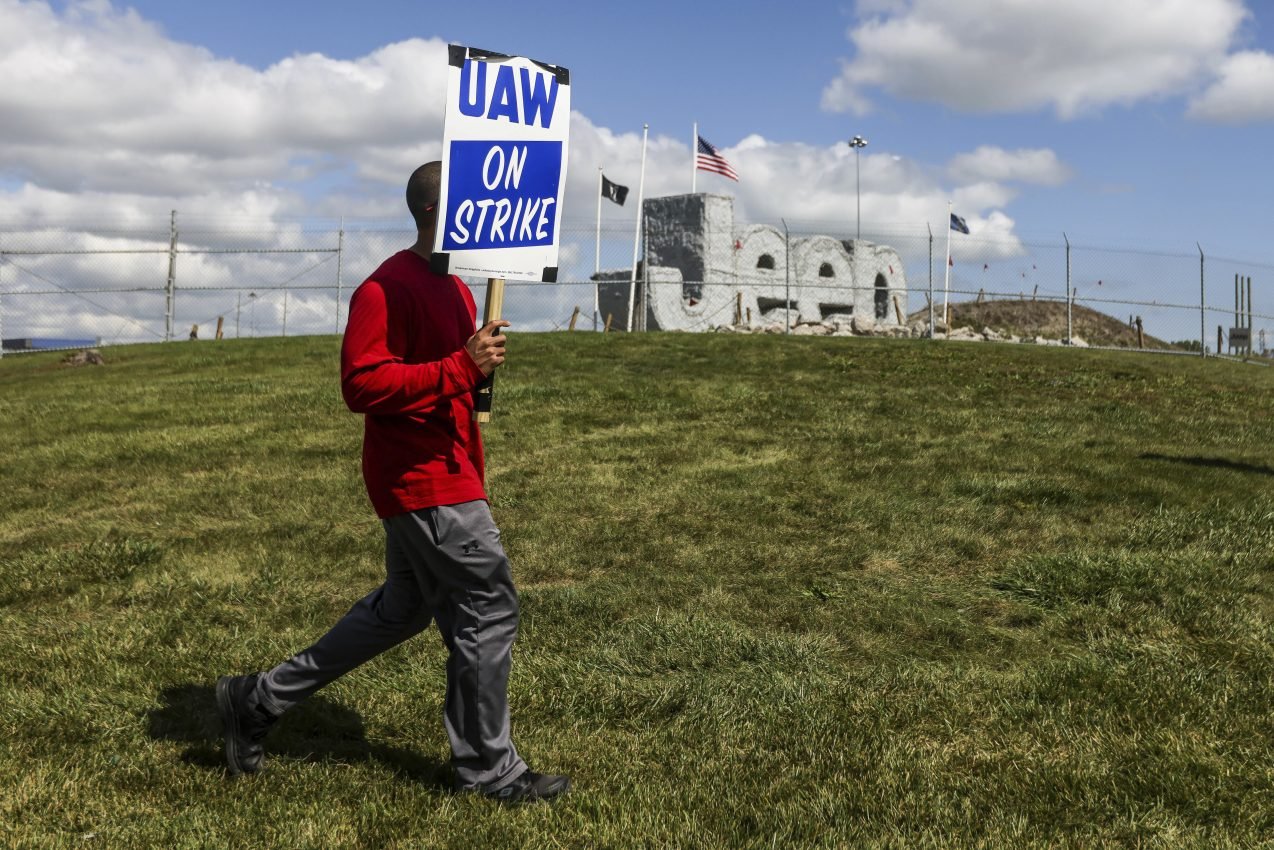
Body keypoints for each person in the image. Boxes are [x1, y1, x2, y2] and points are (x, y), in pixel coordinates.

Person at [216, 161, 569, 804]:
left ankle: (258, 699)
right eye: (475, 202)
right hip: (425, 482)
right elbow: (362, 385)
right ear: (439, 212)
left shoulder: (461, 289)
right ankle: (490, 771)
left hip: (452, 472)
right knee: (488, 611)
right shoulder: (384, 288)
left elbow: (451, 372)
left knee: (401, 610)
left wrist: (474, 367)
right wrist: (459, 366)